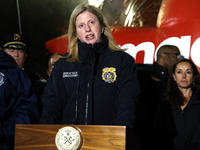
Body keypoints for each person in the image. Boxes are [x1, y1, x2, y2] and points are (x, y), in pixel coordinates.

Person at [40, 4, 140, 129]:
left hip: (108, 139)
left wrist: (120, 136)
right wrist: (46, 134)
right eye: (81, 25)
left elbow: (127, 103)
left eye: (91, 22)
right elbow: (51, 104)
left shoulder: (123, 61)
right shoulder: (63, 64)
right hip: (70, 142)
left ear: (102, 27)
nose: (87, 29)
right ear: (76, 33)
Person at [133, 45, 182, 149]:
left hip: (168, 135)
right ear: (163, 56)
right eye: (176, 55)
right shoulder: (142, 72)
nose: (180, 58)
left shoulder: (176, 79)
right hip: (145, 135)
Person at [154, 59, 200, 150]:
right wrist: (183, 145)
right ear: (174, 76)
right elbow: (159, 131)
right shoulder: (165, 103)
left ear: (194, 76)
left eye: (188, 72)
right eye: (179, 72)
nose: (183, 76)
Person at [0, 50, 39, 150]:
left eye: (19, 51)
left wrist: (4, 130)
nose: (16, 54)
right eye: (12, 50)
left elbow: (27, 110)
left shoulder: (12, 72)